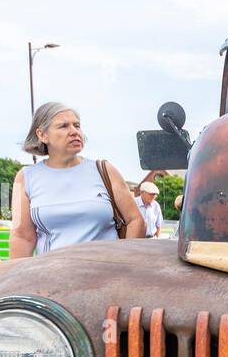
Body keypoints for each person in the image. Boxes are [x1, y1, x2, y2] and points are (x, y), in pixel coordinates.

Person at [8, 103, 144, 257]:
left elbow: (136, 221)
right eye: (64, 126)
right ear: (42, 135)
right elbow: (22, 237)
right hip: (51, 277)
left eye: (77, 125)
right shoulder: (26, 177)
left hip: (106, 275)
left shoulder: (105, 170)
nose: (74, 132)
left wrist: (124, 263)